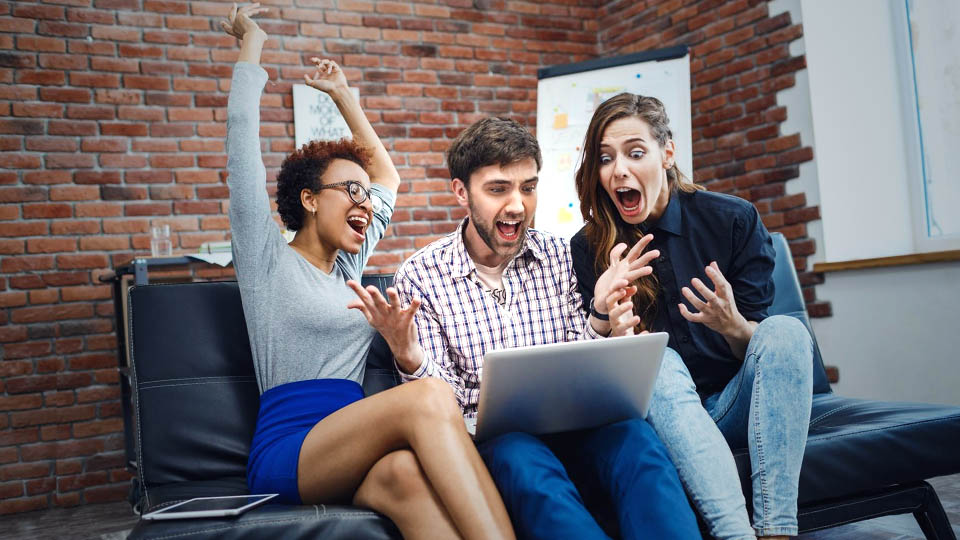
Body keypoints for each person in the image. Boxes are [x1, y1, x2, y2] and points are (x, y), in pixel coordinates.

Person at [221, 5, 514, 539]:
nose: (364, 199)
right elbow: (242, 147)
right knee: (429, 395)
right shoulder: (266, 261)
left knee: (403, 476)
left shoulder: (348, 268)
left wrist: (344, 96)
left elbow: (389, 177)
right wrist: (252, 43)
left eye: (364, 192)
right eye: (348, 191)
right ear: (308, 200)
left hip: (350, 440)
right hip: (292, 446)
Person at [348, 116, 700, 539]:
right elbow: (442, 408)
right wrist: (408, 354)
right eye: (499, 189)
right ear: (461, 191)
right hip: (499, 445)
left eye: (528, 188)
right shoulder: (423, 275)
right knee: (524, 460)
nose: (517, 205)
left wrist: (602, 313)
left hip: (579, 427)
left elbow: (579, 355)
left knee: (637, 440)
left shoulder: (556, 252)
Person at [570, 92, 814, 540]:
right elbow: (600, 383)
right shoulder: (589, 248)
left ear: (667, 153)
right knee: (656, 358)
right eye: (605, 158)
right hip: (662, 419)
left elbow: (760, 350)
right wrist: (615, 337)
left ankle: (778, 531)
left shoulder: (732, 220)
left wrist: (734, 326)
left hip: (738, 405)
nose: (619, 170)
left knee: (784, 331)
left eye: (635, 153)